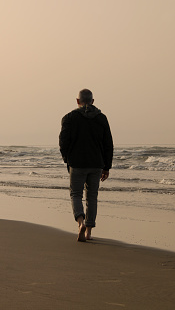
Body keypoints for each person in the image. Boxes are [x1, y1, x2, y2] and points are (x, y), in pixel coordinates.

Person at [59, 89, 113, 242]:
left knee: (76, 194)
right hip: (96, 163)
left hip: (77, 163)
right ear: (93, 101)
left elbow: (63, 142)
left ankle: (80, 222)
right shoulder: (102, 118)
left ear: (78, 101)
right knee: (92, 196)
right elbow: (108, 144)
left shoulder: (69, 118)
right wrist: (107, 167)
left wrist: (67, 159)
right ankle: (89, 231)